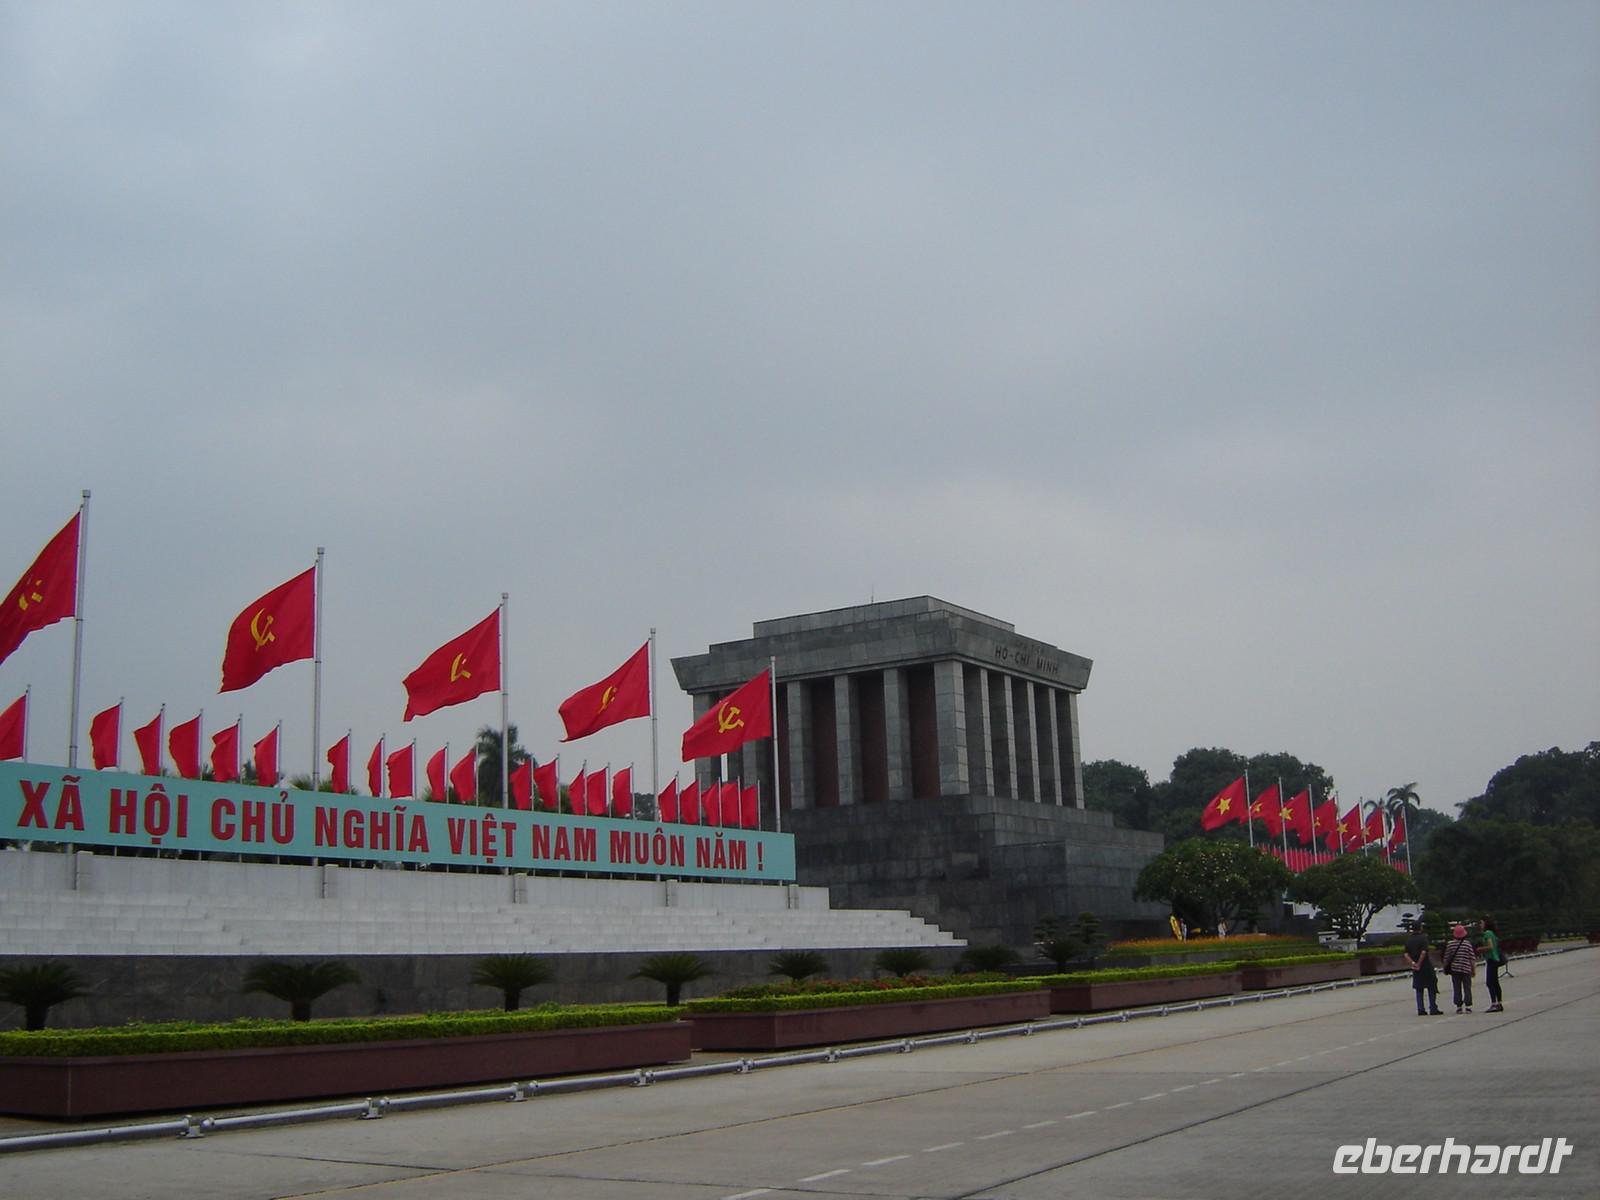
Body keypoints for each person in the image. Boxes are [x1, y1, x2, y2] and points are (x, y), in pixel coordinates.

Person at [1403, 923, 1443, 1015]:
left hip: (1416, 968)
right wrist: (1419, 963)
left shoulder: (1409, 940)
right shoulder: (1423, 938)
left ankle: (1420, 1008)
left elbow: (1406, 954)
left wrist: (1413, 963)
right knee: (1431, 985)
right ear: (1420, 928)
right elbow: (1424, 952)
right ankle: (1433, 1007)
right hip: (1425, 966)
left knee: (1419, 987)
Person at [1440, 923, 1477, 1013]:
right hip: (1466, 969)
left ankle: (1459, 1006)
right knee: (1467, 988)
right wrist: (1473, 970)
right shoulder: (1467, 944)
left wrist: (1445, 968)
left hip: (1455, 970)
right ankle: (1468, 1006)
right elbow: (1472, 958)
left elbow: (1446, 958)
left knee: (1456, 988)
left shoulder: (1450, 944)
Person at [1480, 916, 1505, 1012]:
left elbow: (1490, 946)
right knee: (1495, 982)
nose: (1480, 925)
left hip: (1491, 959)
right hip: (1495, 959)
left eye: (1481, 923)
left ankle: (1494, 1003)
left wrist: (1481, 949)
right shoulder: (1493, 933)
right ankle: (1499, 1003)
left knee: (1490, 982)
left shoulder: (1487, 933)